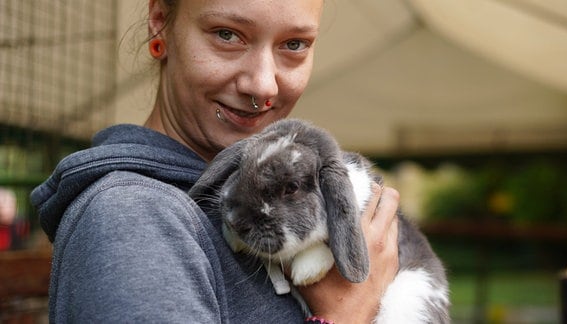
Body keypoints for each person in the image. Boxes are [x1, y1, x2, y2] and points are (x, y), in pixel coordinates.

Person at [31, 0, 400, 322]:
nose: (263, 85)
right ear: (159, 21)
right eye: (227, 34)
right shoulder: (133, 216)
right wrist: (345, 314)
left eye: (294, 44)